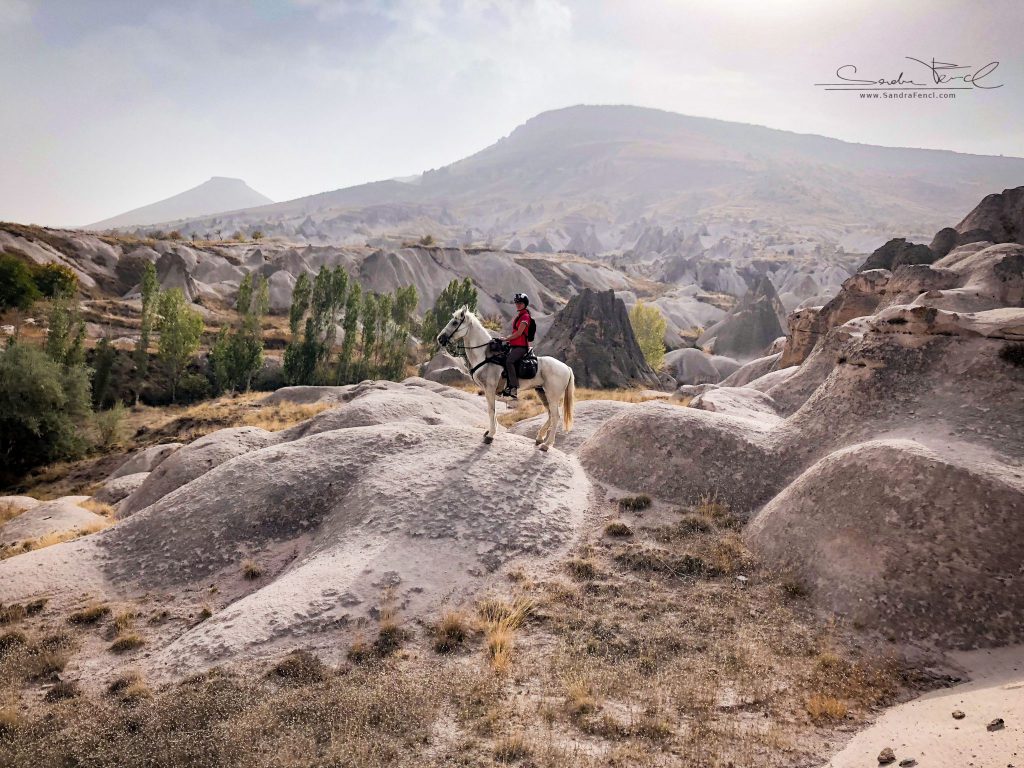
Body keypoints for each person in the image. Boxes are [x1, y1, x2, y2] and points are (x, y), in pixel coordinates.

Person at [501, 293, 532, 399]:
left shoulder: (526, 317)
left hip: (521, 347)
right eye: (517, 303)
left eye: (520, 303)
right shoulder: (519, 316)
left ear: (525, 304)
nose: (518, 305)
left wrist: (506, 339)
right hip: (514, 345)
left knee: (509, 361)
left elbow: (519, 333)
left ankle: (513, 388)